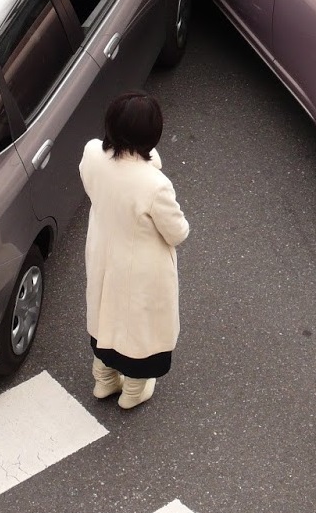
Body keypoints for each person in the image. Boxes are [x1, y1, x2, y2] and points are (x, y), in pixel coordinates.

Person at [79, 91, 189, 409]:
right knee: (139, 329)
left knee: (105, 316)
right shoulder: (155, 184)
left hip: (102, 251)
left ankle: (104, 380)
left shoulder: (91, 154)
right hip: (141, 268)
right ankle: (133, 391)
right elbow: (177, 232)